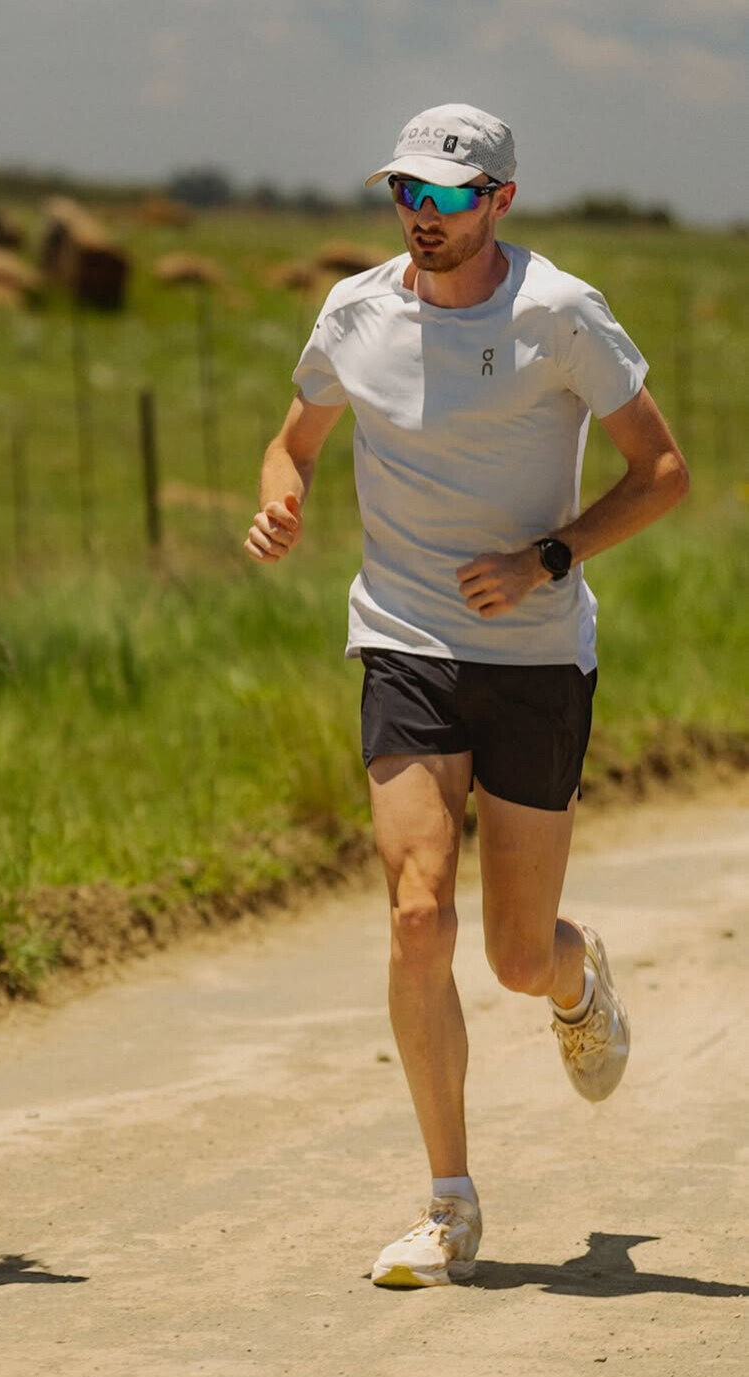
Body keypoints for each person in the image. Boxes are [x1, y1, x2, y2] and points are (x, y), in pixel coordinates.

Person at [245, 105, 688, 1288]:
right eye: (407, 193)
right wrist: (283, 497)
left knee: (514, 955)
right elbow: (294, 441)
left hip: (536, 655)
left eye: (446, 196)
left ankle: (575, 976)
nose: (422, 216)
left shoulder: (560, 313)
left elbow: (662, 472)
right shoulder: (355, 310)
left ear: (500, 199)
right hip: (404, 640)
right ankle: (449, 1204)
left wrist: (550, 557)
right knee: (415, 916)